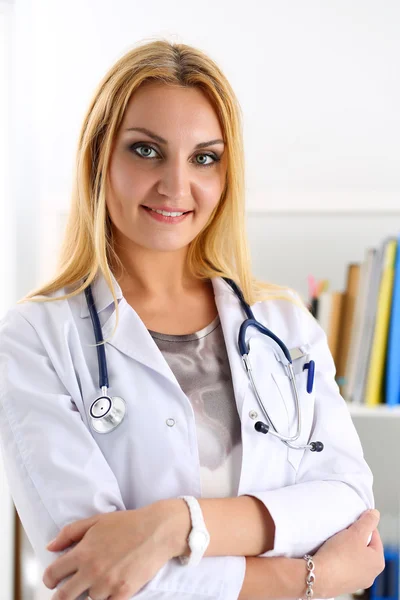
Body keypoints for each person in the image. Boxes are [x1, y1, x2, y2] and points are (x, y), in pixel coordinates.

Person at [0, 38, 384, 600]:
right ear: (98, 158)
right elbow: (92, 575)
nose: (176, 186)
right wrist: (311, 578)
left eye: (204, 157)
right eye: (146, 150)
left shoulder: (283, 323)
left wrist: (174, 525)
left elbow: (348, 499)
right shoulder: (34, 340)